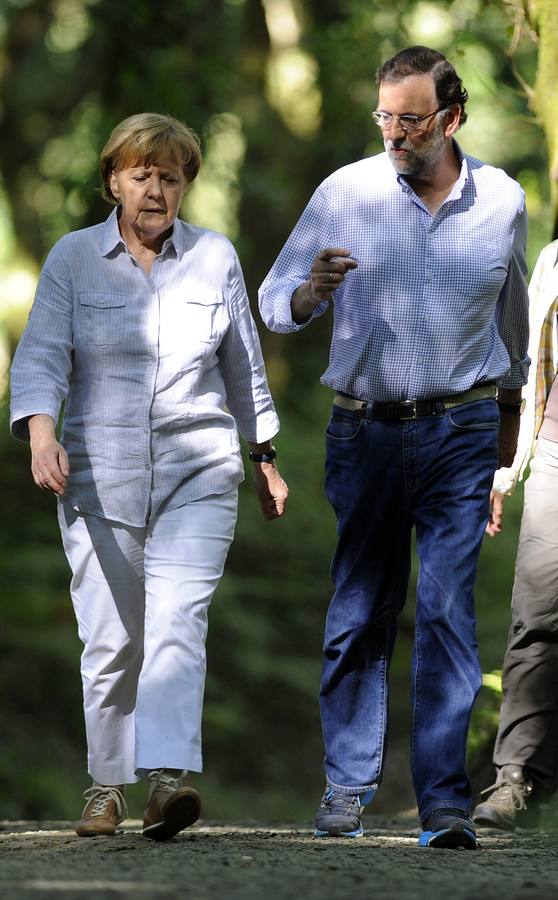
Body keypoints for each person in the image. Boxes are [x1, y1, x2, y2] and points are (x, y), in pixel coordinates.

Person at [259, 46, 529, 849]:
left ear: (451, 119)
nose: (394, 134)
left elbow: (512, 328)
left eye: (410, 120)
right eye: (384, 117)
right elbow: (274, 299)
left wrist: (508, 452)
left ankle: (445, 803)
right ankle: (346, 786)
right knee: (358, 614)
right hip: (365, 430)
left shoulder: (504, 201)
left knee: (448, 615)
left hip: (462, 430)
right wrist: (312, 291)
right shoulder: (345, 192)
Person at [10, 112, 288, 841]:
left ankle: (168, 782)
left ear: (186, 185)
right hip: (98, 476)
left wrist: (263, 456)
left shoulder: (216, 257)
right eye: (142, 174)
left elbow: (243, 368)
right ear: (113, 181)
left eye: (170, 176)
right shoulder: (73, 259)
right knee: (111, 640)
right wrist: (42, 432)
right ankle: (107, 786)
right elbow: (40, 355)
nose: (155, 189)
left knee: (175, 622)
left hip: (199, 469)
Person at [473, 240, 558, 831]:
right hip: (554, 455)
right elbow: (529, 368)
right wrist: (504, 471)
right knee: (538, 614)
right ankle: (517, 777)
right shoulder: (554, 260)